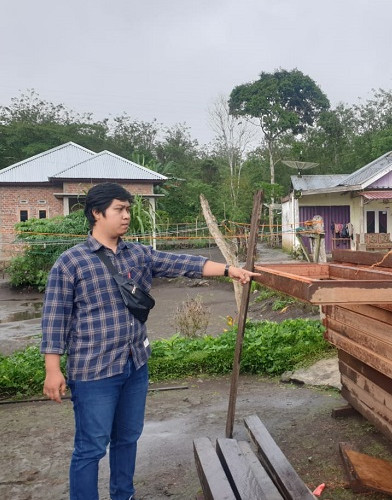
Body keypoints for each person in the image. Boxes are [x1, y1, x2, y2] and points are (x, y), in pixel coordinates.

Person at [41, 182, 257, 500]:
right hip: (93, 372)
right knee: (90, 447)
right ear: (97, 213)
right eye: (119, 209)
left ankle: (123, 495)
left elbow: (184, 264)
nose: (126, 215)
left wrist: (229, 270)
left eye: (128, 209)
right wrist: (53, 370)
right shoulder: (71, 263)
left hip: (134, 366)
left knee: (128, 438)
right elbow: (54, 319)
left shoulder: (139, 254)